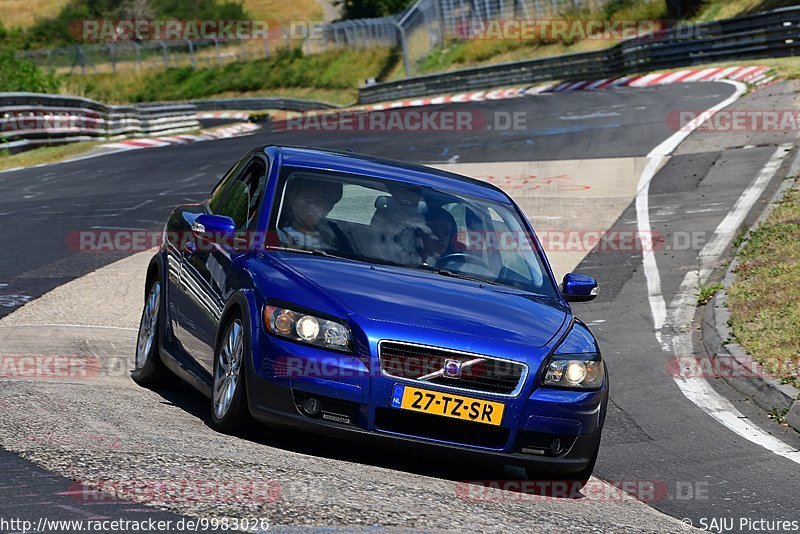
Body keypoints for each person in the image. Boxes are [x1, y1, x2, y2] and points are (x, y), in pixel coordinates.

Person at [278, 177, 343, 250]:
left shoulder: (330, 233)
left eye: (319, 201)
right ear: (292, 204)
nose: (314, 207)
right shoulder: (280, 237)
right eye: (307, 201)